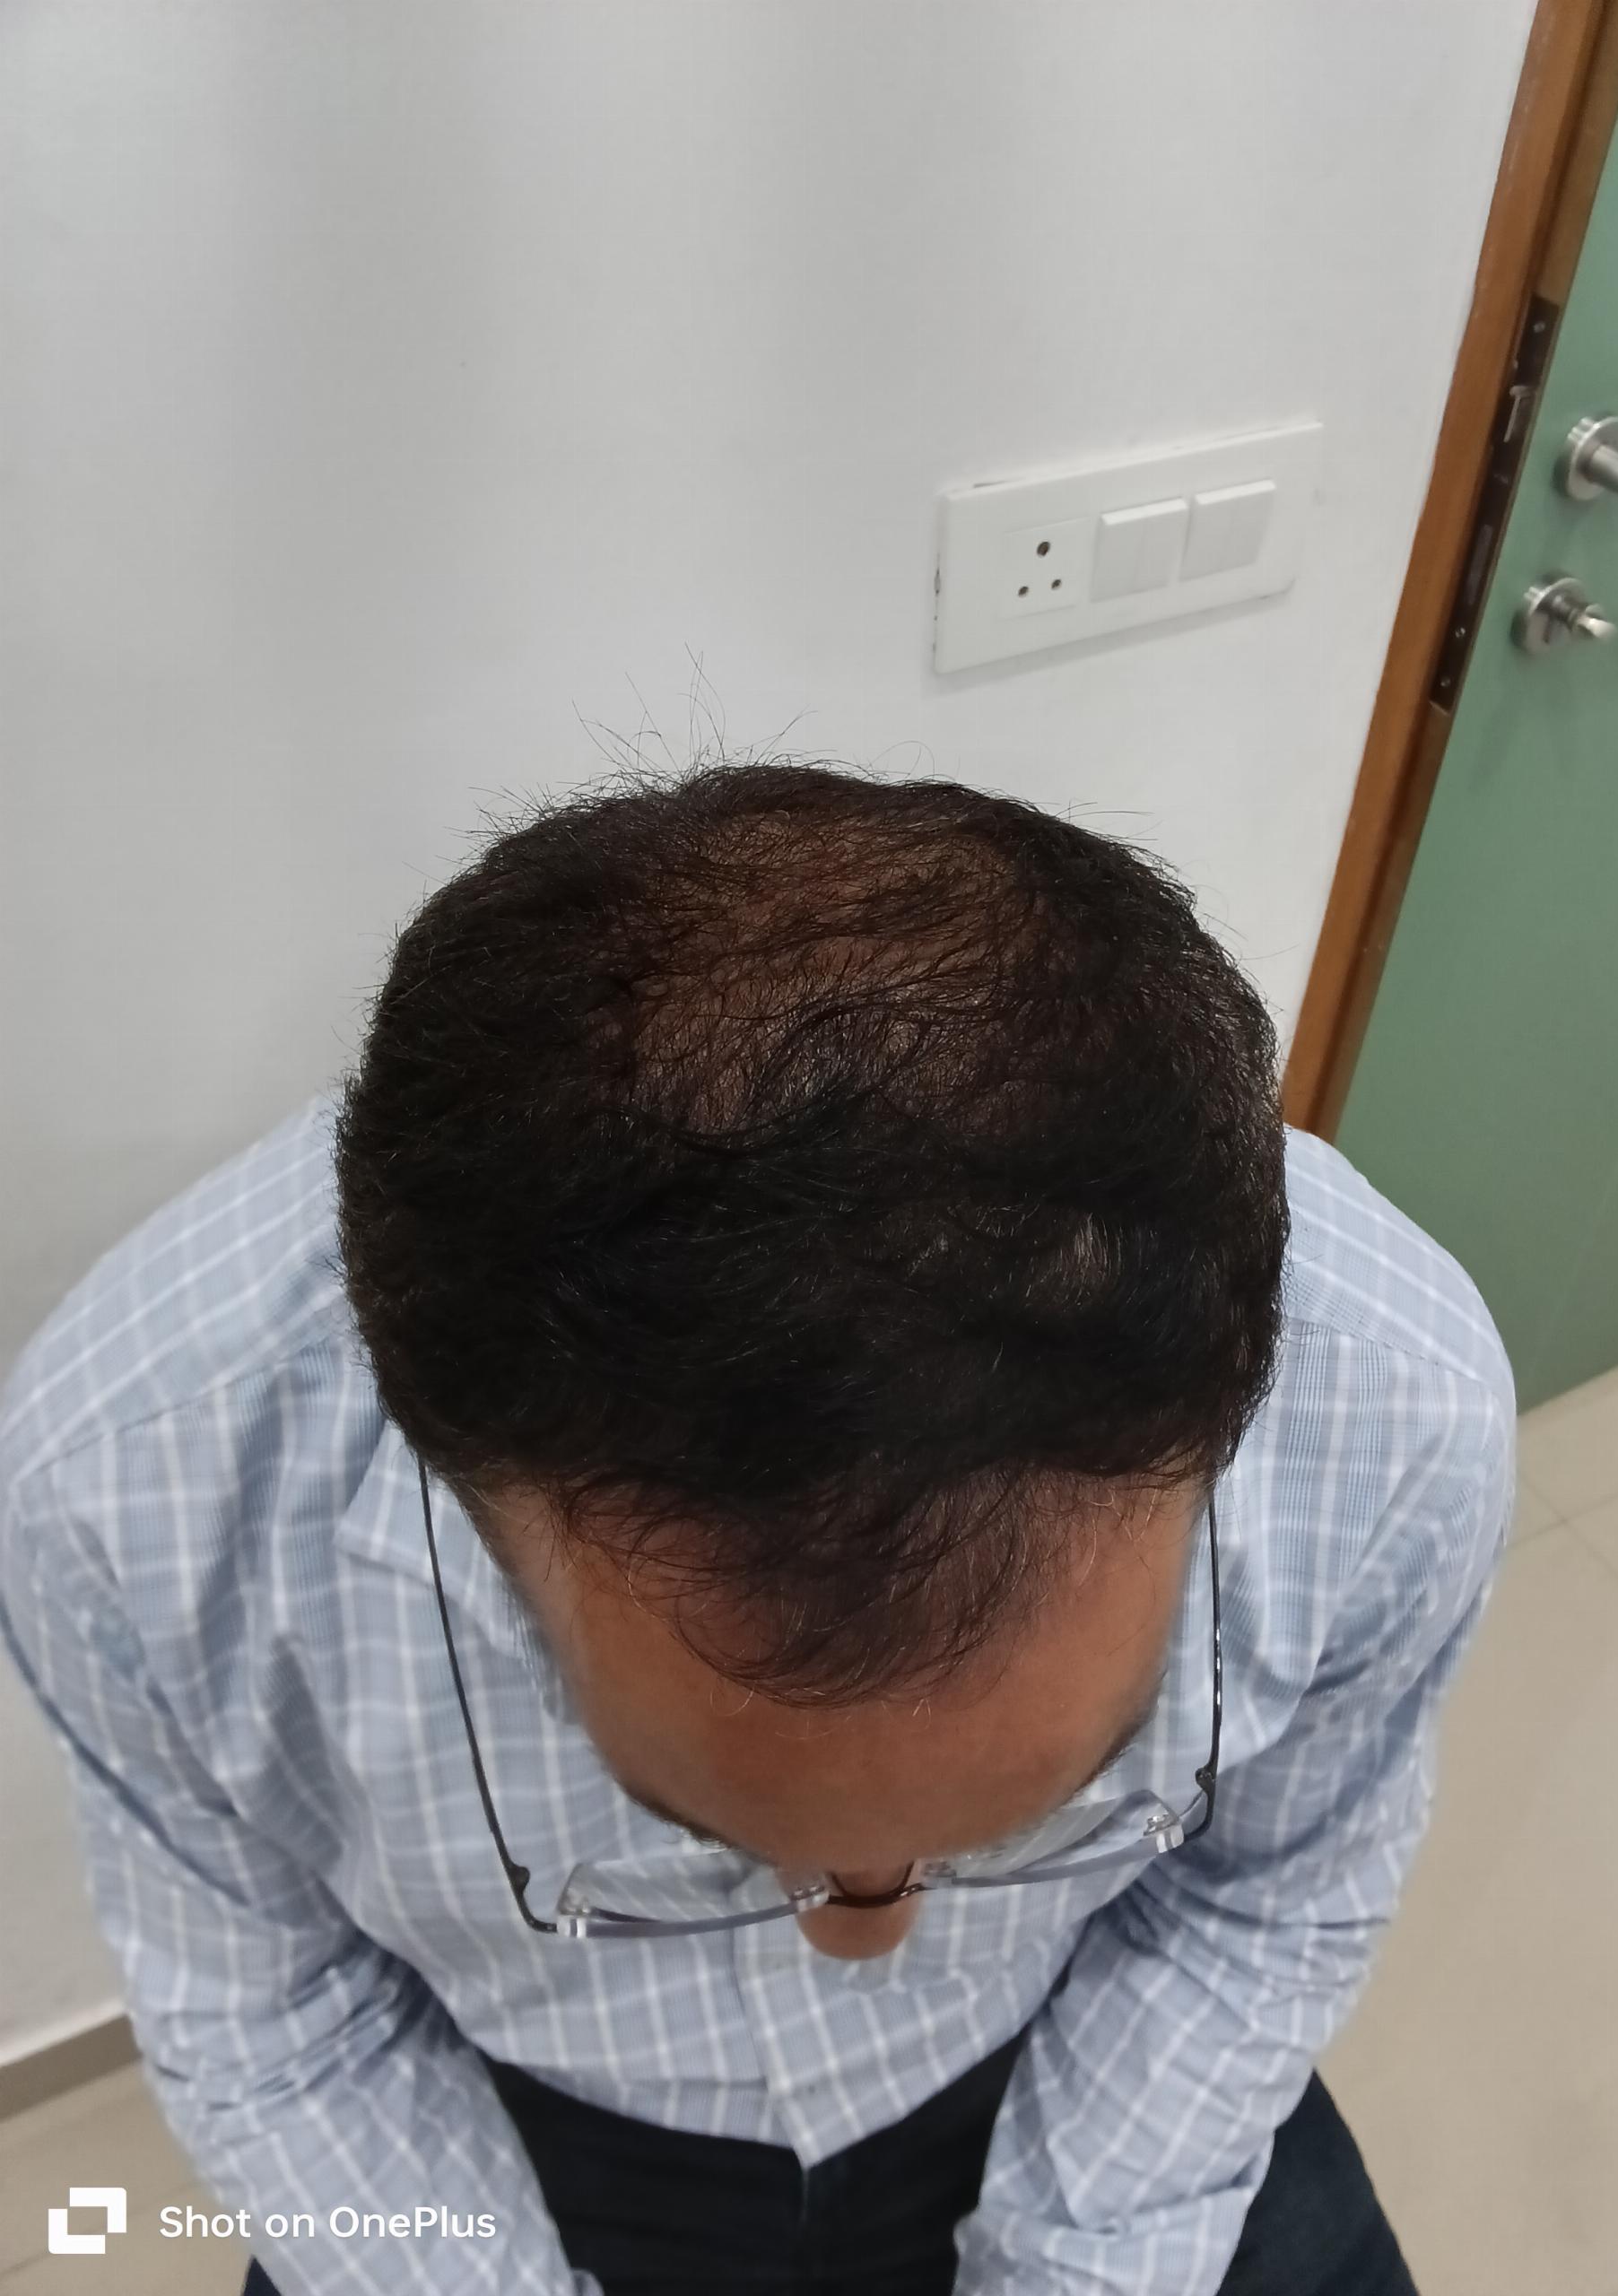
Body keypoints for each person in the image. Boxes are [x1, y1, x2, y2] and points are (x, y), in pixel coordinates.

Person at [0, 759, 1514, 2296]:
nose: (863, 1951)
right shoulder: (135, 1495)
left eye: (1029, 1814)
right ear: (451, 1483)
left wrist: (1081, 2271)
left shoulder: (1395, 1408)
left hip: (1097, 2034)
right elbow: (286, 2019)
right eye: (709, 1830)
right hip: (511, 2119)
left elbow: (1266, 1892)